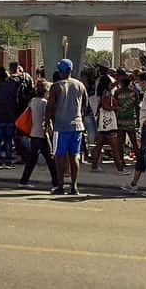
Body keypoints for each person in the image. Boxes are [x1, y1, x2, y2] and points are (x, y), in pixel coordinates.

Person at [45, 59, 88, 195]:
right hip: (77, 125)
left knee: (59, 157)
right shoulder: (80, 85)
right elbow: (85, 105)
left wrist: (47, 122)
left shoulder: (56, 86)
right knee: (74, 156)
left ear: (61, 71)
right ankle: (74, 186)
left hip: (61, 126)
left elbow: (50, 106)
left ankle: (60, 185)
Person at [19, 79, 59, 190]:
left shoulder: (33, 101)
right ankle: (56, 182)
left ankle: (24, 180)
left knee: (32, 159)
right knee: (50, 159)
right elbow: (48, 119)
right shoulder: (44, 103)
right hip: (42, 134)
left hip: (33, 133)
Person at [91, 81, 126, 174]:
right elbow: (106, 106)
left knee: (98, 146)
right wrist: (116, 108)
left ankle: (94, 166)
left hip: (102, 124)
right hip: (108, 123)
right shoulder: (106, 94)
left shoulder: (104, 94)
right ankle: (120, 169)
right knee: (114, 147)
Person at [114, 74, 140, 166]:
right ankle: (139, 160)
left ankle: (121, 160)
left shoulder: (117, 92)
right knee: (134, 141)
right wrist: (138, 120)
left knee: (120, 141)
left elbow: (115, 105)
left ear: (121, 83)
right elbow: (137, 107)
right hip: (130, 119)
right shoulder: (134, 93)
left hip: (120, 119)